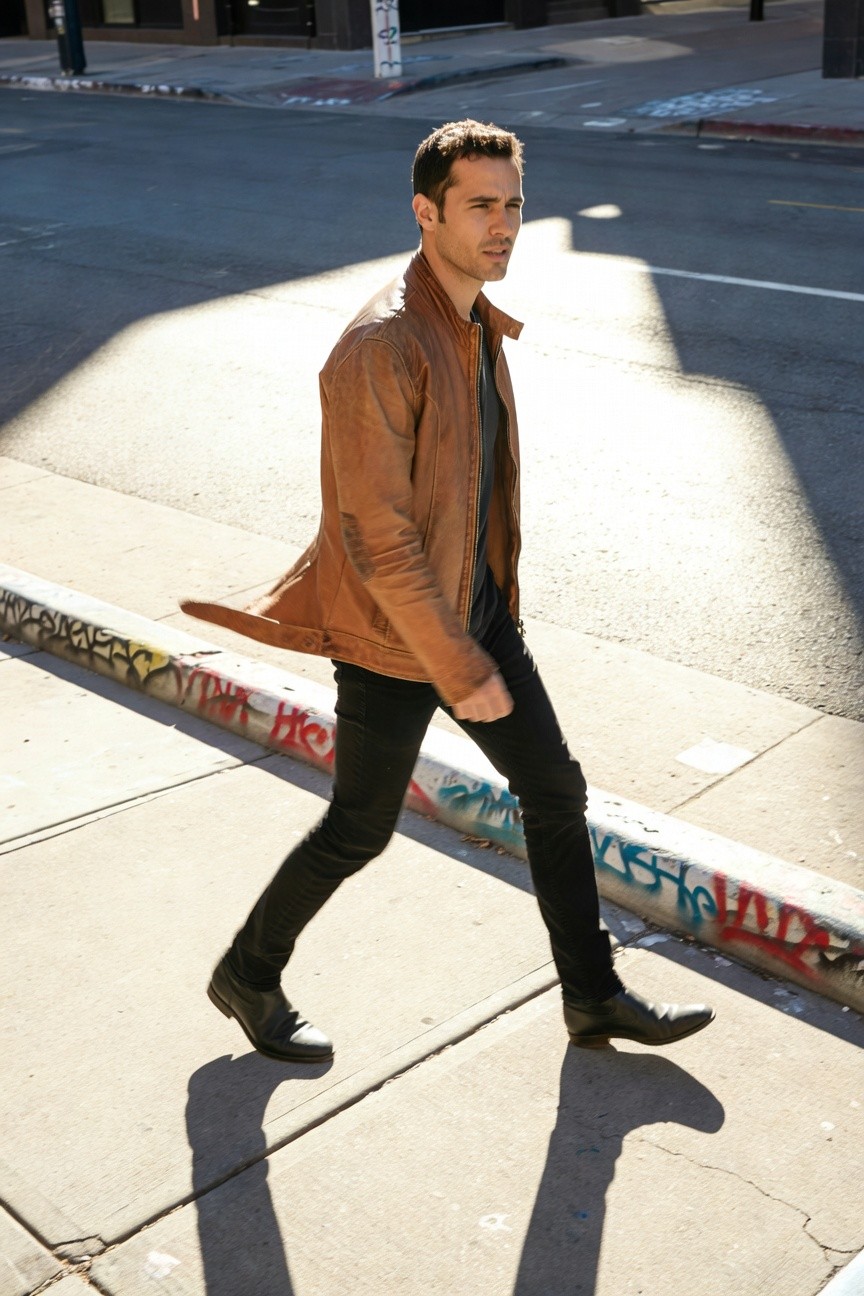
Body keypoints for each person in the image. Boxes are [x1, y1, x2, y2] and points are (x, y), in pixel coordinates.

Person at [182, 120, 714, 1062]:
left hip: (475, 615)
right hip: (398, 636)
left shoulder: (468, 320)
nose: (504, 224)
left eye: (512, 203)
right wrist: (457, 660)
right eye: (481, 206)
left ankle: (591, 997)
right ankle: (248, 974)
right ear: (426, 211)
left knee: (554, 791)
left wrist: (487, 622)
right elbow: (376, 532)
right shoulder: (384, 344)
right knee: (359, 828)